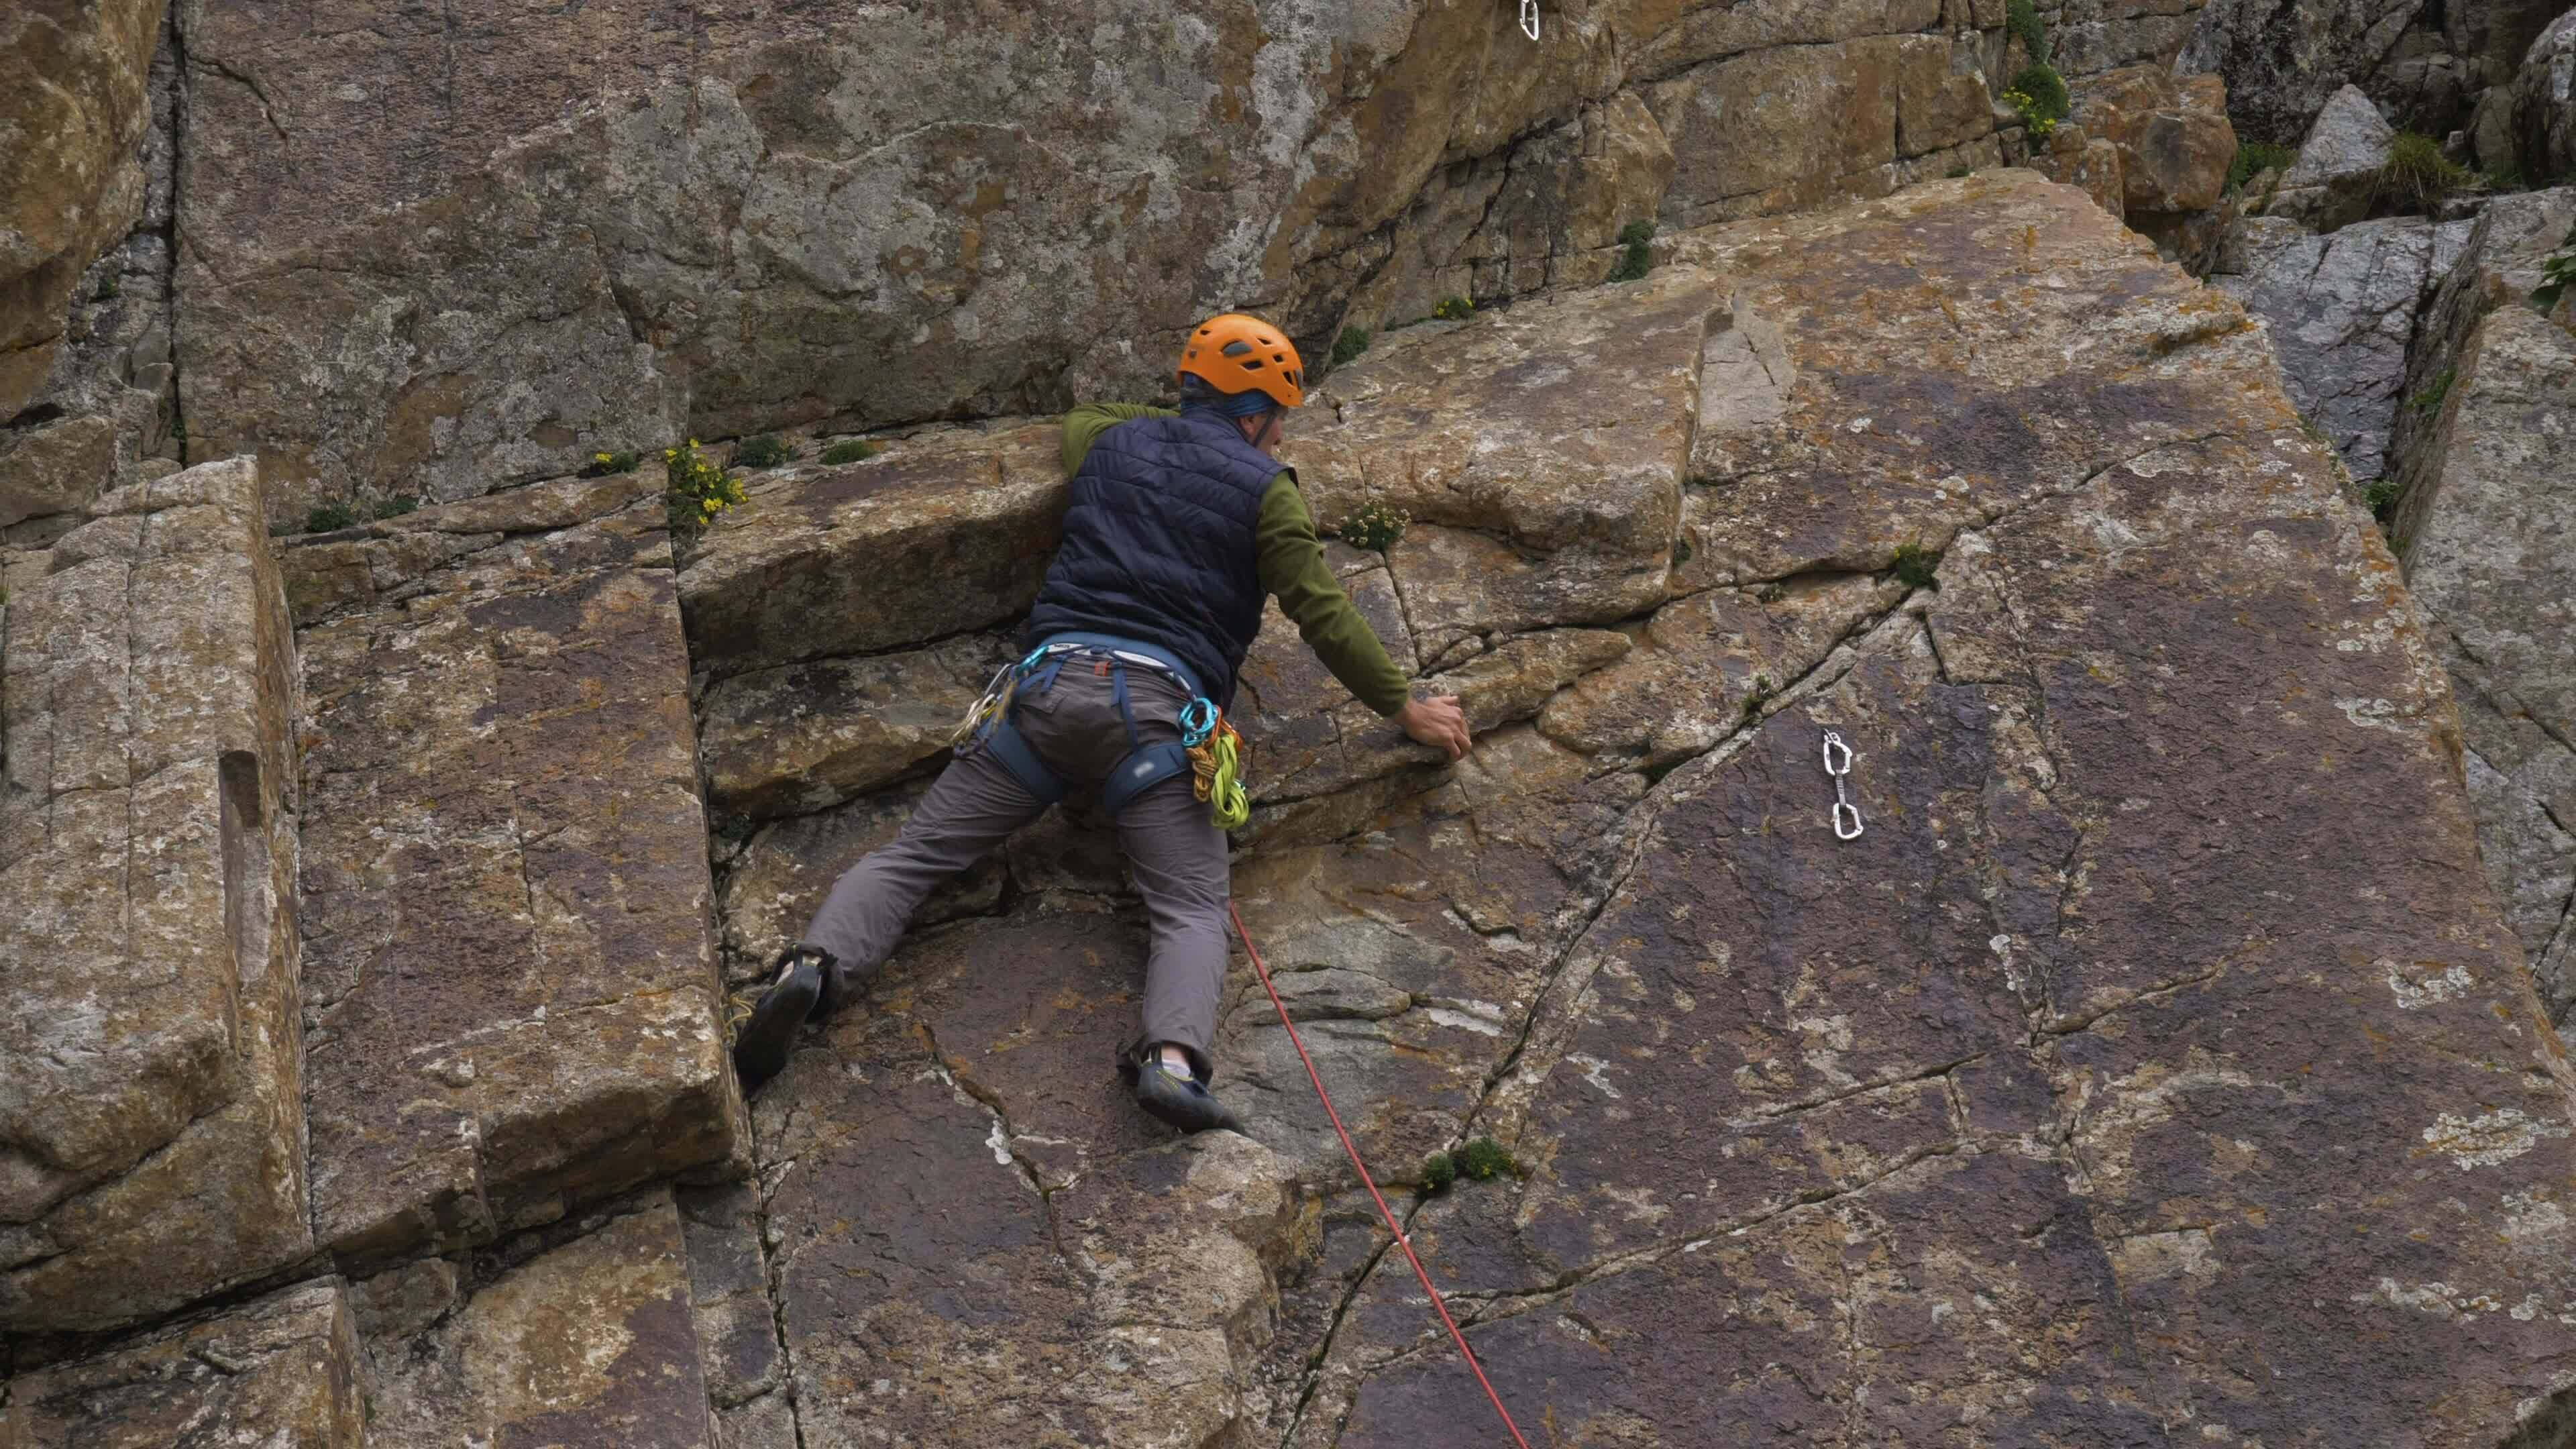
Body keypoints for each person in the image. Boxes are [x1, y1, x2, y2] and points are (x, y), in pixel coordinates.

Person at [729, 313, 1474, 1131]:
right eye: (1278, 419)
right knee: (1190, 906)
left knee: (913, 857)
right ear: (1259, 414)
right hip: (1157, 720)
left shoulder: (1109, 446)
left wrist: (1174, 425)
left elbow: (1090, 417)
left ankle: (811, 965)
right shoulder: (1270, 494)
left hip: (1044, 695)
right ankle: (1171, 1063)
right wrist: (1406, 707)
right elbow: (1324, 614)